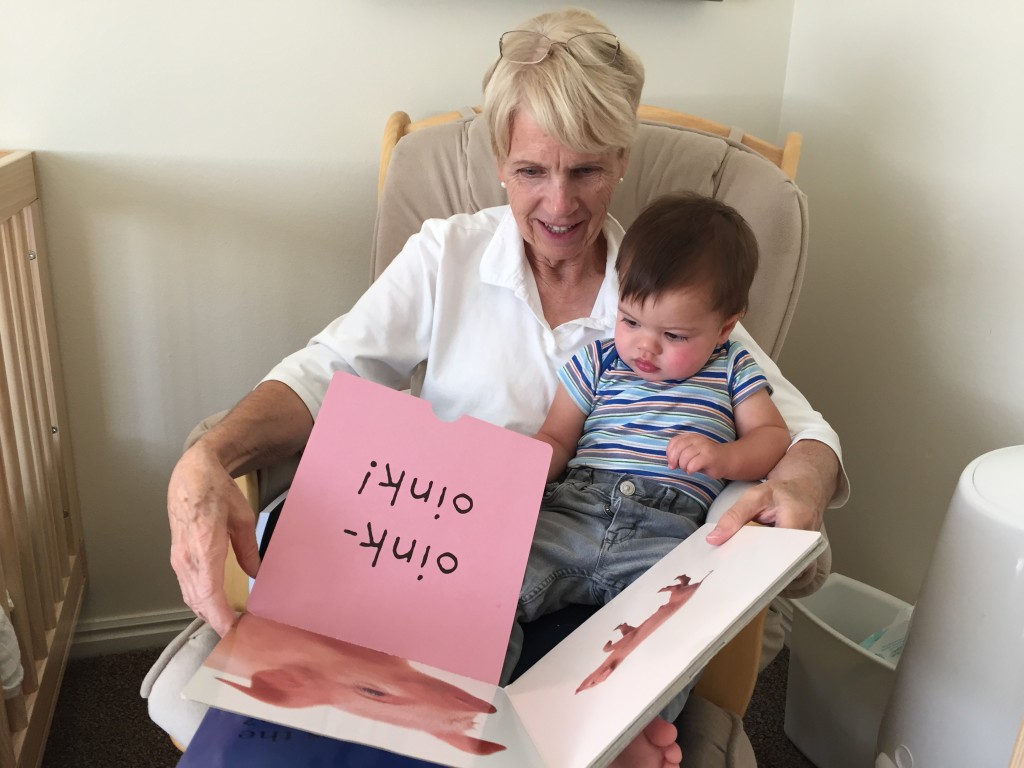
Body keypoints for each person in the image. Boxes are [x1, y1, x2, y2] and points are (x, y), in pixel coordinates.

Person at [164, 9, 846, 765]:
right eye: (531, 171)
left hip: (602, 572)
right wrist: (209, 456)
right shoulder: (446, 254)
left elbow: (807, 434)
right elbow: (321, 374)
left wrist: (800, 486)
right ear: (499, 161)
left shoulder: (663, 293)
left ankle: (576, 730)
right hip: (447, 557)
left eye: (585, 169)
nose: (558, 206)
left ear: (621, 158)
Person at [506, 192, 791, 687]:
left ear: (725, 326)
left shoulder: (732, 369)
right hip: (572, 511)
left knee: (676, 633)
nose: (644, 345)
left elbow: (772, 436)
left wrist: (725, 458)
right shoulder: (597, 361)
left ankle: (631, 737)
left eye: (674, 336)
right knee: (488, 586)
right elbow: (556, 437)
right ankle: (469, 702)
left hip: (665, 531)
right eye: (630, 320)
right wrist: (520, 469)